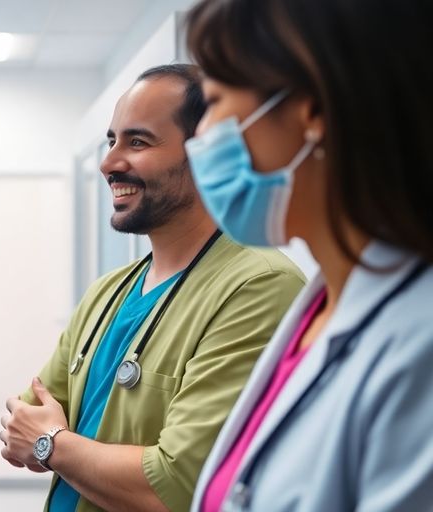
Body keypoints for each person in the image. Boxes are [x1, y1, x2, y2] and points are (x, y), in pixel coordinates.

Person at [0, 65, 306, 512]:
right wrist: (46, 438)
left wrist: (52, 443)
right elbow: (20, 425)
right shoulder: (108, 292)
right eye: (112, 141)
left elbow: (173, 486)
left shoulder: (259, 287)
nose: (109, 163)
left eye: (138, 142)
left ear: (206, 153)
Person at [181, 1, 433, 510]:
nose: (200, 136)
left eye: (213, 102)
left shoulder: (420, 343)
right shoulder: (324, 306)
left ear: (313, 110)